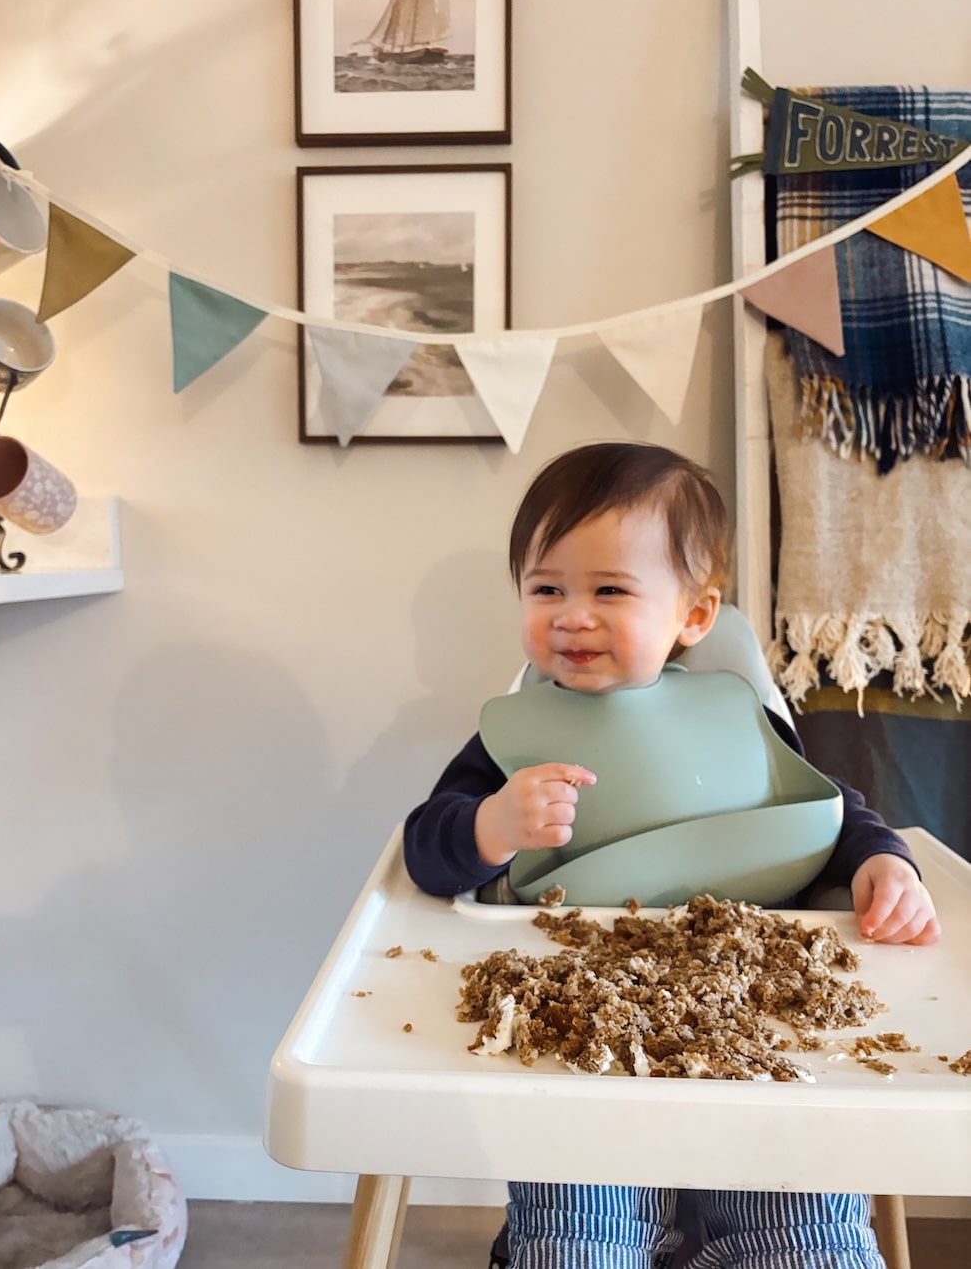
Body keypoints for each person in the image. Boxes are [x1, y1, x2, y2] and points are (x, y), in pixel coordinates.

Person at [403, 441, 940, 1269]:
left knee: (808, 1234)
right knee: (575, 1237)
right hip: (579, 1017)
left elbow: (829, 816)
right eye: (547, 588)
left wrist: (883, 866)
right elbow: (426, 850)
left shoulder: (738, 719)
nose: (571, 614)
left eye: (609, 590)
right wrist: (493, 827)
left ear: (694, 615)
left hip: (755, 1019)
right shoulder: (512, 737)